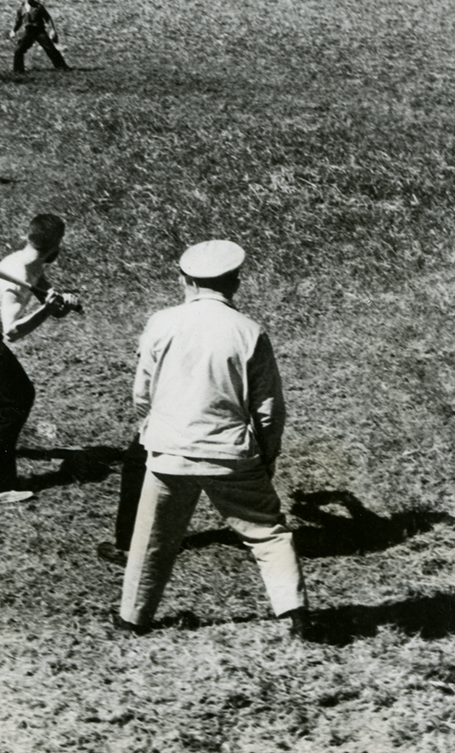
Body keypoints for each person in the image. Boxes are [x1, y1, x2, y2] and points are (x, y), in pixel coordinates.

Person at [113, 239, 310, 639]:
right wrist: (267, 456)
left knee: (151, 538)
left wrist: (157, 433)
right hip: (230, 454)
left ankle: (132, 619)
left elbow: (141, 394)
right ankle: (296, 617)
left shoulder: (161, 322)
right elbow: (269, 409)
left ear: (185, 280)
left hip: (169, 452)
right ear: (234, 283)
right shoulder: (249, 331)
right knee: (267, 533)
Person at [0, 212, 81, 507]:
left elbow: (45, 291)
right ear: (58, 245)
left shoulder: (27, 261)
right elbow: (13, 332)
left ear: (27, 235)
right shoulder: (17, 277)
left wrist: (59, 300)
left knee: (18, 393)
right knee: (6, 408)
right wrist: (46, 310)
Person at [12, 0, 69, 74]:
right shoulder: (21, 9)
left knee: (50, 49)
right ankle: (18, 70)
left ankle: (62, 68)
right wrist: (13, 30)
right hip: (28, 32)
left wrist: (53, 30)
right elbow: (18, 21)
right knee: (19, 49)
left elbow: (48, 18)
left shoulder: (39, 7)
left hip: (39, 31)